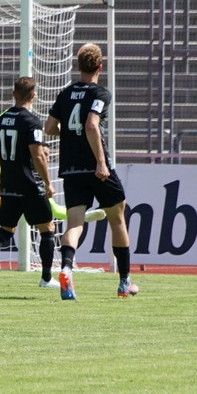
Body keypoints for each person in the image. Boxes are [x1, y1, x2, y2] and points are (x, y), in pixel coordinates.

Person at [45, 42, 139, 299]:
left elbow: (50, 127)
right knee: (117, 218)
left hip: (71, 168)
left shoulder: (65, 93)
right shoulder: (100, 94)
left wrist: (70, 133)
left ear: (79, 66)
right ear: (99, 67)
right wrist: (100, 161)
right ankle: (124, 282)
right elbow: (91, 125)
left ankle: (65, 269)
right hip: (96, 169)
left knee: (75, 224)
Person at [0, 77, 58, 287]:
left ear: (13, 94)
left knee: (6, 230)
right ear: (33, 96)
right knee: (47, 228)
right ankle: (46, 278)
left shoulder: (0, 120)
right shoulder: (32, 122)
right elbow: (38, 156)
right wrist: (48, 182)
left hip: (8, 185)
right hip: (28, 185)